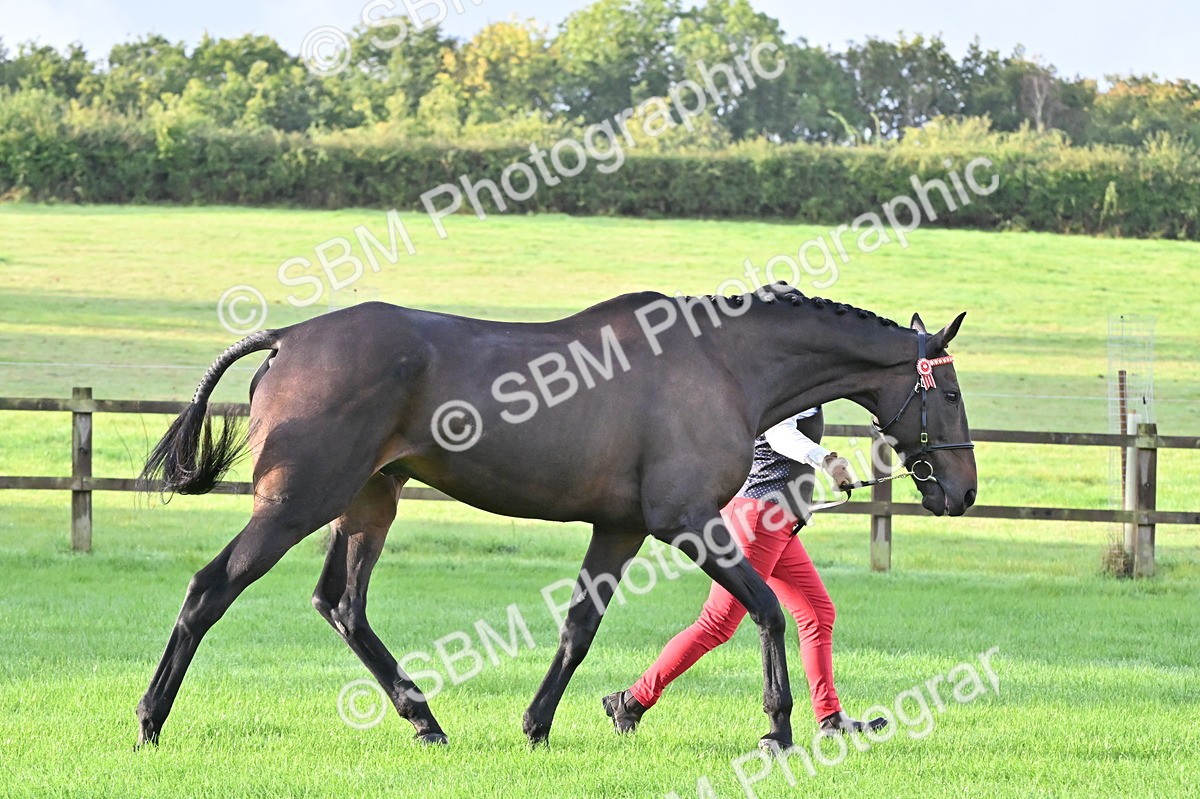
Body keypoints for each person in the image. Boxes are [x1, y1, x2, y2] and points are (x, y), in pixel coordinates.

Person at [603, 406, 886, 737]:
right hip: (759, 521)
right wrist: (826, 460)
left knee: (817, 613)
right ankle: (633, 701)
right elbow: (780, 434)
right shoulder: (790, 374)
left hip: (778, 522)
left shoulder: (808, 376)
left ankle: (830, 718)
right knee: (718, 623)